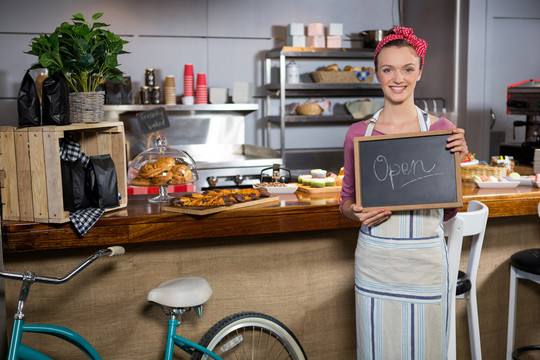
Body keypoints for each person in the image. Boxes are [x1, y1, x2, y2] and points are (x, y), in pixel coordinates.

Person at [339, 27, 469, 359]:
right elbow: (346, 201)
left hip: (425, 265)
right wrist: (355, 213)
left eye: (408, 69)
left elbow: (449, 210)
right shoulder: (358, 134)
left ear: (420, 71)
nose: (398, 78)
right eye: (388, 69)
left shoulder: (441, 132)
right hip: (376, 264)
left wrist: (456, 165)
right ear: (377, 73)